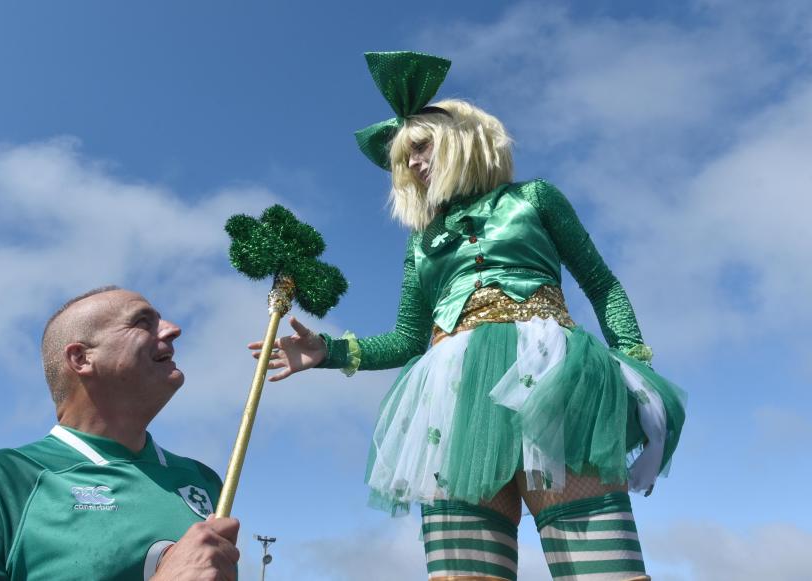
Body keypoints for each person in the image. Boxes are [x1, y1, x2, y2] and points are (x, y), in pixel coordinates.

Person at [251, 52, 685, 581]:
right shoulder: (421, 243)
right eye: (402, 160)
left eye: (420, 147)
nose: (412, 165)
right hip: (452, 393)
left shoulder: (535, 198)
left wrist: (632, 361)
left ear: (465, 140)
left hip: (552, 377)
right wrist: (329, 352)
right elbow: (408, 338)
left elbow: (602, 284)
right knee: (462, 577)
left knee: (604, 573)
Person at [0, 286, 240, 581]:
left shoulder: (203, 480)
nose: (173, 329)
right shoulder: (1, 481)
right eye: (141, 323)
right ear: (82, 358)